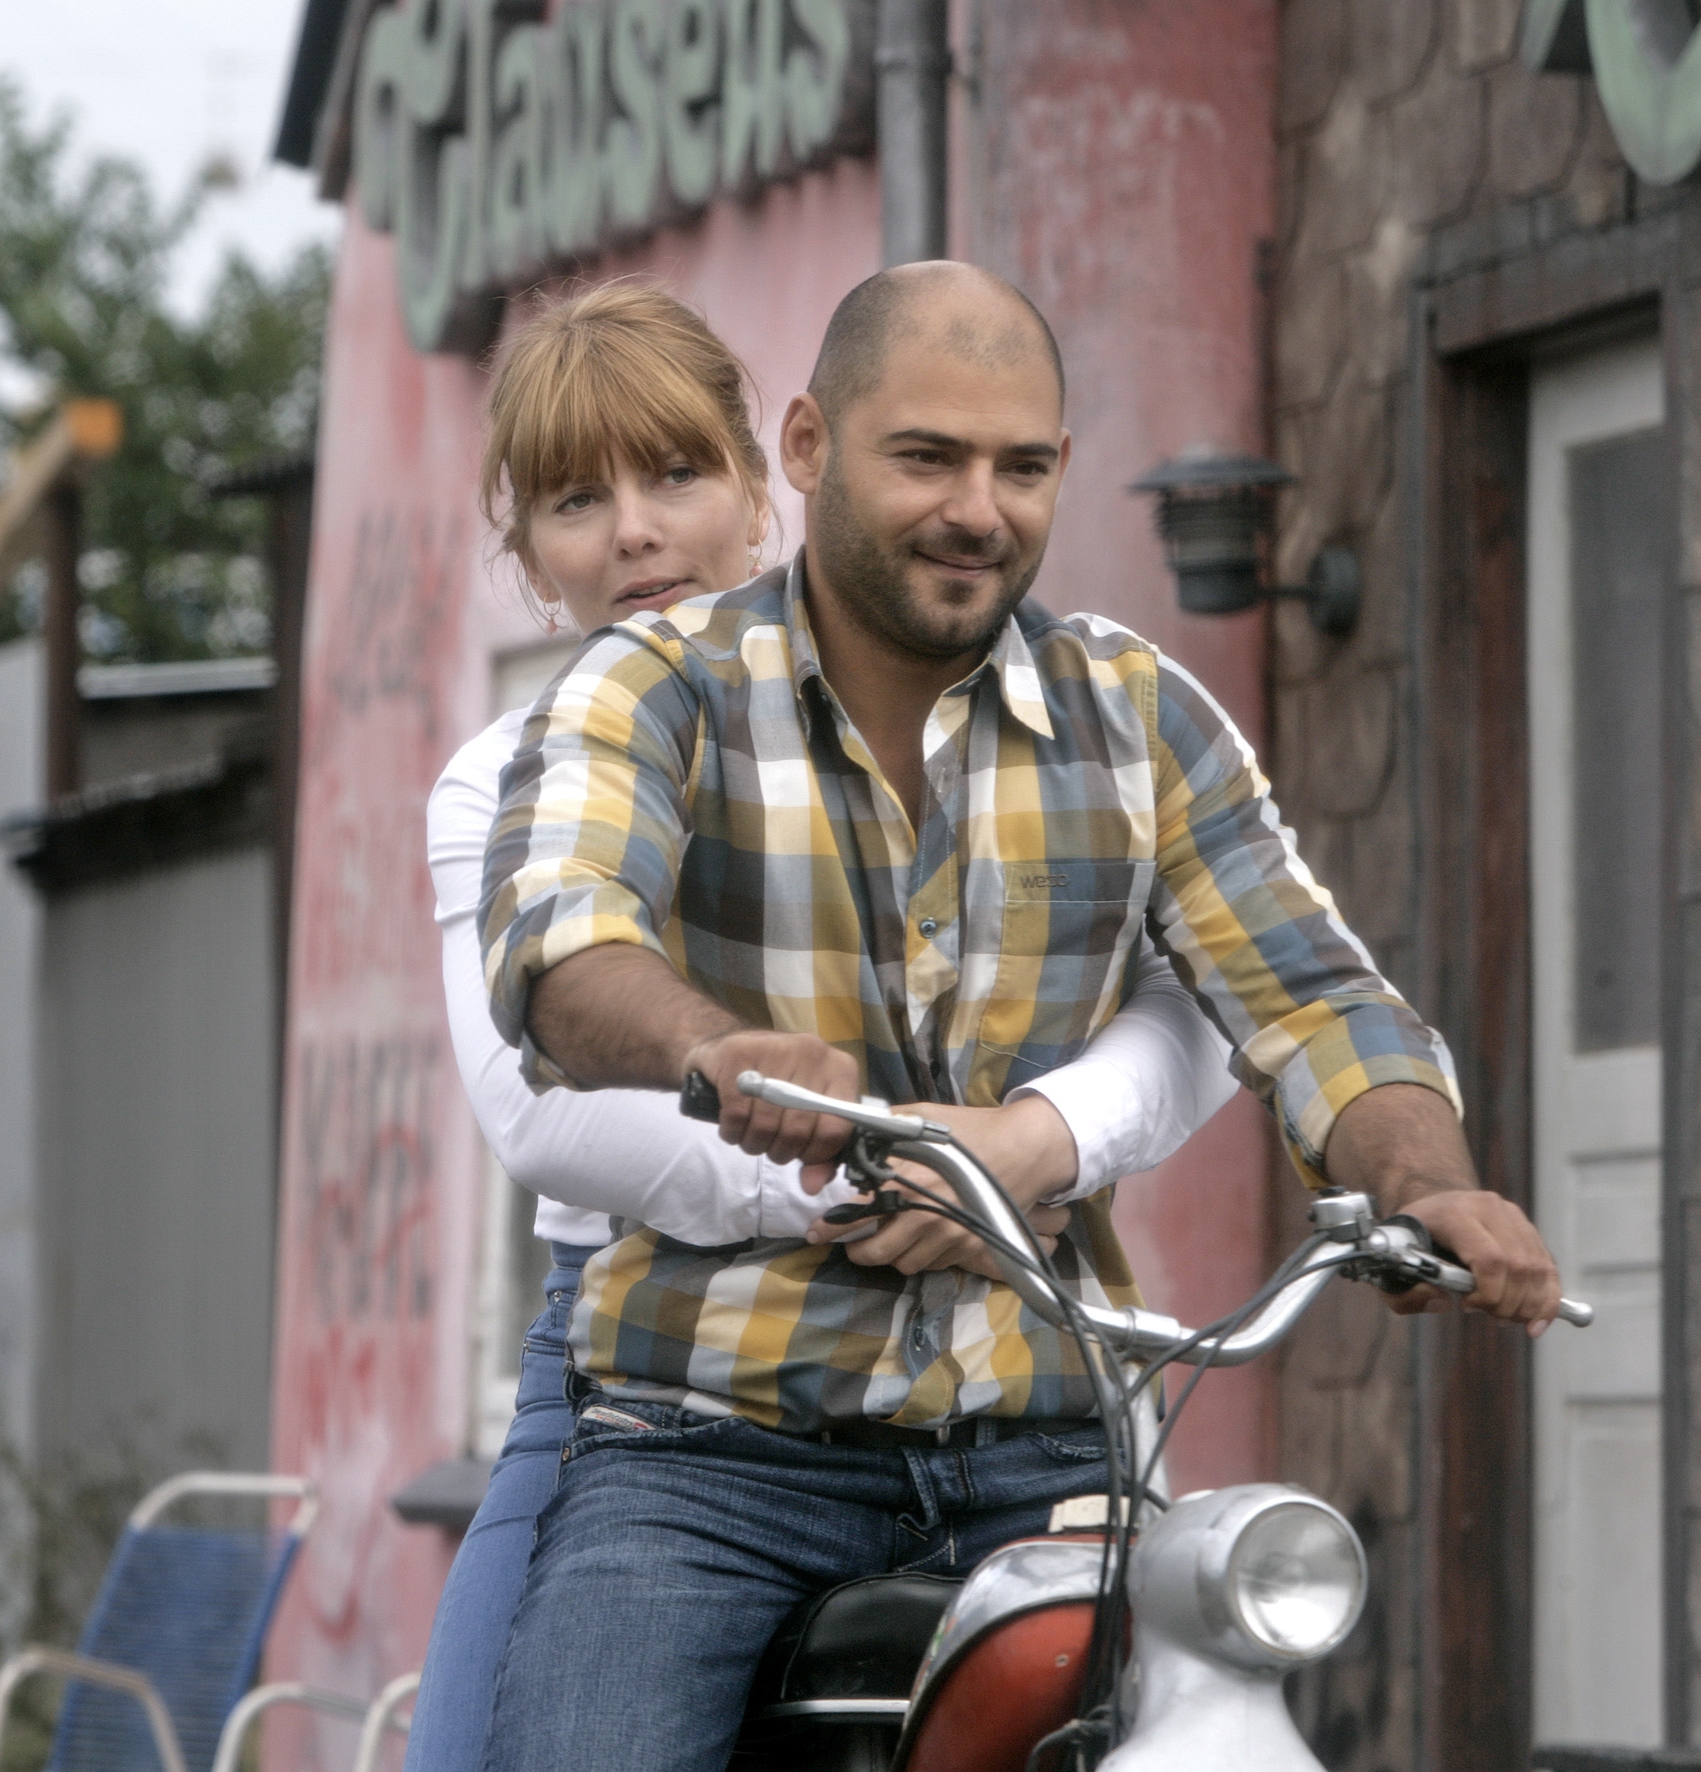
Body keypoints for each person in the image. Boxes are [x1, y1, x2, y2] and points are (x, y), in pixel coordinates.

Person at [472, 263, 1564, 1768]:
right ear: (806, 449)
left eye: (1023, 465)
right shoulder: (650, 688)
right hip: (712, 1451)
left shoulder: (1141, 712)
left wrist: (1430, 1180)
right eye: (927, 456)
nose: (977, 507)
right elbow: (558, 940)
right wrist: (706, 1048)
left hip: (1052, 1438)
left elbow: (1311, 995)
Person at [409, 284, 1236, 1771]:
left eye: (675, 475)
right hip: (643, 1369)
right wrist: (898, 1181)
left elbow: (1206, 997)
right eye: (575, 499)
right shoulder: (500, 779)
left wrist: (1024, 1155)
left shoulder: (1022, 712)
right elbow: (546, 1117)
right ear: (526, 551)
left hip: (1000, 1345)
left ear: (765, 479)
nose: (636, 534)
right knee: (494, 1744)